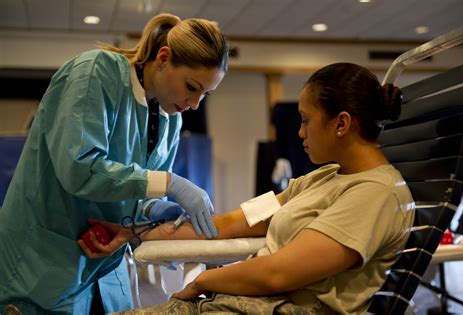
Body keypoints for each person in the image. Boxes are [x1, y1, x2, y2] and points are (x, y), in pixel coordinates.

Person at [79, 63, 415, 314]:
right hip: (244, 302)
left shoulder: (377, 194)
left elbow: (277, 274)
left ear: (341, 123)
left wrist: (203, 281)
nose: (300, 134)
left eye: (305, 120)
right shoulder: (321, 179)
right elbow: (233, 222)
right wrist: (134, 233)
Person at [0, 13, 228, 315]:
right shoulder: (95, 74)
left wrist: (153, 207)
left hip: (105, 267)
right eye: (191, 86)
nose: (195, 103)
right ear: (163, 58)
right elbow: (79, 169)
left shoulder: (170, 119)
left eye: (205, 94)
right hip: (43, 262)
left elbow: (140, 190)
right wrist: (169, 183)